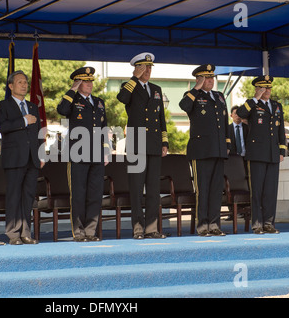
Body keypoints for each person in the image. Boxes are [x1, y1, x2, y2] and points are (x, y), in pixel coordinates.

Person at [116, 52, 169, 240]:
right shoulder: (128, 86)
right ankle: (138, 228)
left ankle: (152, 228)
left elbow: (161, 117)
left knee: (154, 189)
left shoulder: (156, 88)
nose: (147, 70)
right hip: (137, 142)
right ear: (136, 69)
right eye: (144, 67)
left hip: (154, 143)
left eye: (149, 67)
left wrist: (164, 141)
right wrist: (134, 78)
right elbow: (121, 98)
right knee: (137, 189)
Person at [57, 67, 109, 242]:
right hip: (78, 153)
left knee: (95, 194)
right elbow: (62, 110)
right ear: (78, 83)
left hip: (96, 154)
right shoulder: (72, 100)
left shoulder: (99, 102)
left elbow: (104, 128)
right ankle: (78, 232)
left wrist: (106, 151)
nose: (89, 84)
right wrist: (71, 90)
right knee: (78, 194)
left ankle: (90, 231)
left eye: (90, 81)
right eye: (85, 81)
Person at [179, 64, 230, 237]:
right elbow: (184, 106)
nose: (210, 81)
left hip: (218, 149)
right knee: (203, 189)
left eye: (211, 78)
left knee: (216, 189)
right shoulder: (192, 95)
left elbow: (225, 122)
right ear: (198, 79)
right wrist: (196, 88)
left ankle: (214, 224)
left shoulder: (219, 96)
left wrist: (227, 144)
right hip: (201, 151)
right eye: (206, 78)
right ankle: (202, 225)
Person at [0, 70, 45, 245]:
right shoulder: (3, 105)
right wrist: (23, 121)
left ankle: (25, 233)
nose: (24, 85)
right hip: (14, 158)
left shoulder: (33, 107)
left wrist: (41, 153)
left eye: (25, 82)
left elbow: (38, 133)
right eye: (20, 82)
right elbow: (3, 127)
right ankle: (13, 234)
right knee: (14, 195)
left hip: (32, 158)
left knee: (28, 196)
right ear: (11, 86)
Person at [236, 75, 286, 234]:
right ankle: (257, 224)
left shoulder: (276, 106)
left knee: (270, 191)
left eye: (269, 87)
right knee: (257, 190)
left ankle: (269, 223)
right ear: (258, 88)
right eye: (264, 88)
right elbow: (240, 113)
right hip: (257, 154)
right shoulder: (252, 104)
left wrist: (282, 150)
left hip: (272, 154)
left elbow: (280, 129)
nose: (268, 91)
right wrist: (255, 98)